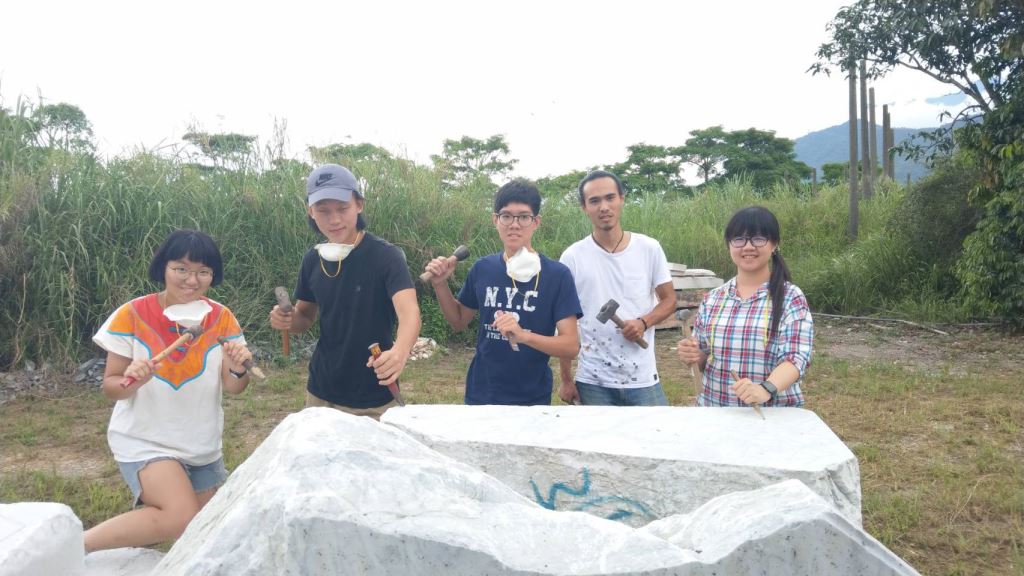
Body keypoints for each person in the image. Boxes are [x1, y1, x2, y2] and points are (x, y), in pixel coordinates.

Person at [85, 230, 254, 552]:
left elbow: (235, 388)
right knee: (180, 517)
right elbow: (111, 387)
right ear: (163, 267)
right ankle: (72, 546)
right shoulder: (132, 314)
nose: (192, 280)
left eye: (203, 272)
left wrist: (238, 367)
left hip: (201, 444)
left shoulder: (221, 318)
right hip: (145, 439)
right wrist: (133, 380)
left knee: (203, 535)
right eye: (181, 269)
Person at [269, 164, 420, 419]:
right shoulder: (312, 259)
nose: (335, 219)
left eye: (342, 208)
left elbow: (410, 313)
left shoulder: (386, 256)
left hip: (373, 394)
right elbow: (304, 317)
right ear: (310, 211)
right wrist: (287, 320)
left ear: (359, 204)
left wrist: (400, 351)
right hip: (321, 392)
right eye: (323, 211)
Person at [424, 179, 581, 405]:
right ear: (495, 220)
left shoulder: (557, 275)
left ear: (536, 222)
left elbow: (570, 346)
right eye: (506, 216)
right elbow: (458, 322)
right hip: (482, 392)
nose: (514, 225)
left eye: (523, 217)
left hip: (532, 396)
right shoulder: (483, 268)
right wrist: (440, 284)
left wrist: (524, 336)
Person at [558, 170, 676, 406]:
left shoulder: (649, 248)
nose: (604, 207)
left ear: (622, 199)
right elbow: (565, 321)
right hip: (593, 381)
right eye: (594, 201)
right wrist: (566, 379)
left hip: (642, 378)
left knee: (657, 430)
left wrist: (643, 322)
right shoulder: (572, 257)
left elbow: (669, 300)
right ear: (584, 207)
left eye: (610, 197)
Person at [677, 206, 813, 407]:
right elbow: (705, 357)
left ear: (774, 244)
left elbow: (795, 358)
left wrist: (765, 389)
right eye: (739, 239)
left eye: (758, 239)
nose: (748, 246)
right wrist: (695, 356)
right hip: (715, 410)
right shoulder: (713, 299)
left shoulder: (790, 297)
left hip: (771, 414)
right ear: (729, 245)